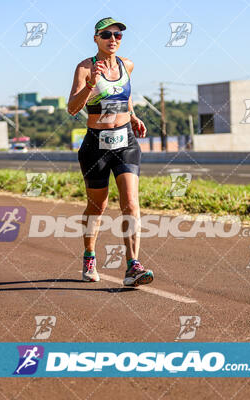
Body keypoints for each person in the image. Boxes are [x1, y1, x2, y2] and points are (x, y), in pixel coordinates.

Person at [67, 17, 153, 287]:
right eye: (106, 35)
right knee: (98, 206)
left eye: (118, 35)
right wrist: (91, 84)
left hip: (125, 142)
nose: (113, 39)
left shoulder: (128, 64)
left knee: (130, 203)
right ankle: (90, 256)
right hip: (96, 146)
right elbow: (71, 108)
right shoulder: (84, 68)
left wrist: (134, 116)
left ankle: (133, 266)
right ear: (95, 38)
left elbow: (125, 96)